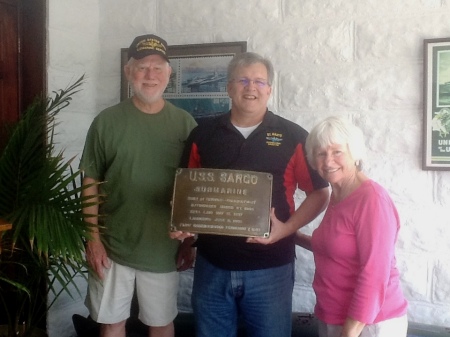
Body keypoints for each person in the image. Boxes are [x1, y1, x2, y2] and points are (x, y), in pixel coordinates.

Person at [171, 52, 330, 337]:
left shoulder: (294, 136)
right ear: (229, 87)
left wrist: (287, 230)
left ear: (269, 89)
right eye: (242, 80)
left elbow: (319, 192)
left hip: (271, 267)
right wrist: (185, 237)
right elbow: (187, 192)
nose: (251, 87)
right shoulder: (202, 134)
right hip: (212, 265)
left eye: (259, 81)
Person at [79, 34, 197, 337]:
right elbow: (89, 182)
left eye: (158, 68)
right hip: (111, 245)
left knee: (160, 324)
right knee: (112, 323)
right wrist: (92, 239)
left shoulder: (186, 124)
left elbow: (194, 188)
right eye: (143, 67)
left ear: (169, 75)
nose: (150, 76)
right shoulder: (106, 122)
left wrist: (188, 242)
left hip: (163, 249)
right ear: (128, 71)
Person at [293, 116, 408, 337]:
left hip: (369, 325)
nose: (328, 161)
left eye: (337, 152)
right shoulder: (339, 195)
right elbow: (337, 248)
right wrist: (291, 234)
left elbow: (375, 274)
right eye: (321, 153)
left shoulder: (372, 199)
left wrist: (349, 332)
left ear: (354, 154)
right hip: (333, 317)